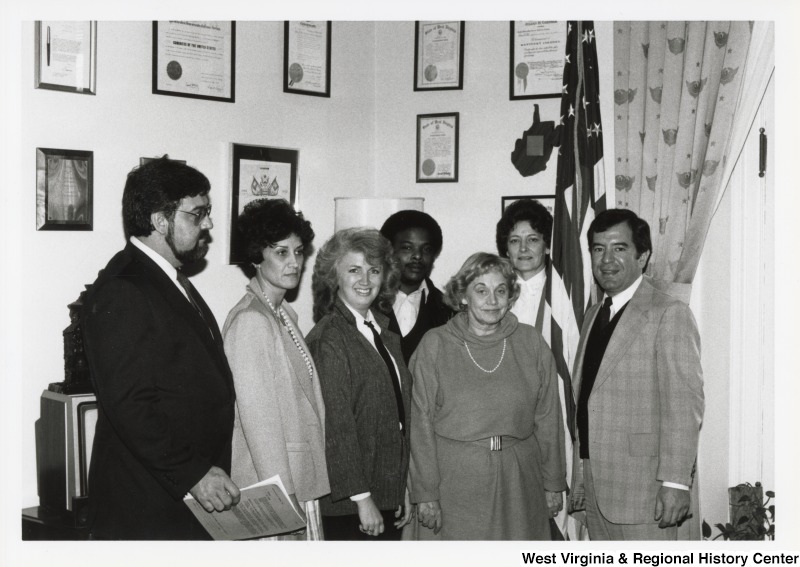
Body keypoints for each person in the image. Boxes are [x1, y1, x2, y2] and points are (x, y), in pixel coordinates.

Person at [81, 158, 239, 540]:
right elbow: (131, 403)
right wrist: (194, 473)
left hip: (178, 502)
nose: (209, 224)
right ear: (159, 220)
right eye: (198, 214)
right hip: (146, 509)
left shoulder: (166, 279)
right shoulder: (124, 288)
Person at [407, 252, 566, 540]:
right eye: (481, 290)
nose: (492, 300)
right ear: (463, 296)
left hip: (520, 479)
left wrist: (553, 483)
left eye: (500, 290)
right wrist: (425, 492)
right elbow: (419, 424)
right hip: (456, 480)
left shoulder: (530, 342)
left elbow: (549, 418)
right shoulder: (435, 344)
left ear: (510, 296)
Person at [569, 208, 704, 540]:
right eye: (598, 249)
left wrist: (674, 482)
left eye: (619, 248)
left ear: (642, 256)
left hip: (647, 492)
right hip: (597, 487)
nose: (606, 259)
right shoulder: (593, 315)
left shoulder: (669, 313)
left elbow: (684, 407)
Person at [222, 198, 329, 540]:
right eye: (281, 253)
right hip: (274, 489)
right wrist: (283, 499)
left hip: (298, 481)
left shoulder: (281, 313)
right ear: (256, 257)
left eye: (299, 252)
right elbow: (260, 424)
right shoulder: (252, 321)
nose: (295, 262)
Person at [305, 227, 414, 540]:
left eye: (374, 270)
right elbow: (337, 426)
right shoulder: (330, 338)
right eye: (354, 270)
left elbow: (398, 417)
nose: (365, 281)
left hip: (385, 491)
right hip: (352, 503)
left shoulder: (380, 331)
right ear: (334, 276)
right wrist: (361, 498)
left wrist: (401, 486)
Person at [379, 210, 455, 363]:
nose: (418, 256)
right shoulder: (367, 303)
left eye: (426, 249)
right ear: (389, 251)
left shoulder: (448, 310)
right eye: (407, 248)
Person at [495, 199, 552, 331]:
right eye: (514, 241)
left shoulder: (561, 293)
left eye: (532, 239)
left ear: (547, 247)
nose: (523, 248)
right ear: (507, 250)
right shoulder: (495, 294)